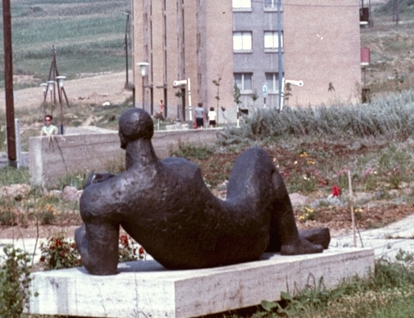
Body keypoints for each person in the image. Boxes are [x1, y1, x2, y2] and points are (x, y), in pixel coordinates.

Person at [74, 108, 327, 275]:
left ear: (121, 138)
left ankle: (289, 239)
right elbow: (149, 178)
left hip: (190, 259)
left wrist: (82, 233)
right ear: (151, 133)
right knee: (255, 156)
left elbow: (102, 266)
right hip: (248, 240)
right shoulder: (180, 169)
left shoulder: (102, 197)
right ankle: (290, 240)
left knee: (253, 160)